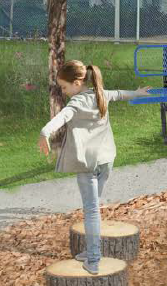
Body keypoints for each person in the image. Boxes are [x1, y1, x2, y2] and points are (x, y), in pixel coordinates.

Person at [37, 61, 150, 274]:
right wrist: (137, 93)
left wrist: (45, 133)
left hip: (88, 165)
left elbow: (61, 118)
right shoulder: (101, 94)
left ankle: (94, 259)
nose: (63, 91)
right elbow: (119, 94)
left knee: (91, 211)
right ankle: (91, 249)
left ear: (77, 83)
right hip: (106, 160)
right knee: (93, 207)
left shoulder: (76, 103)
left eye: (64, 87)